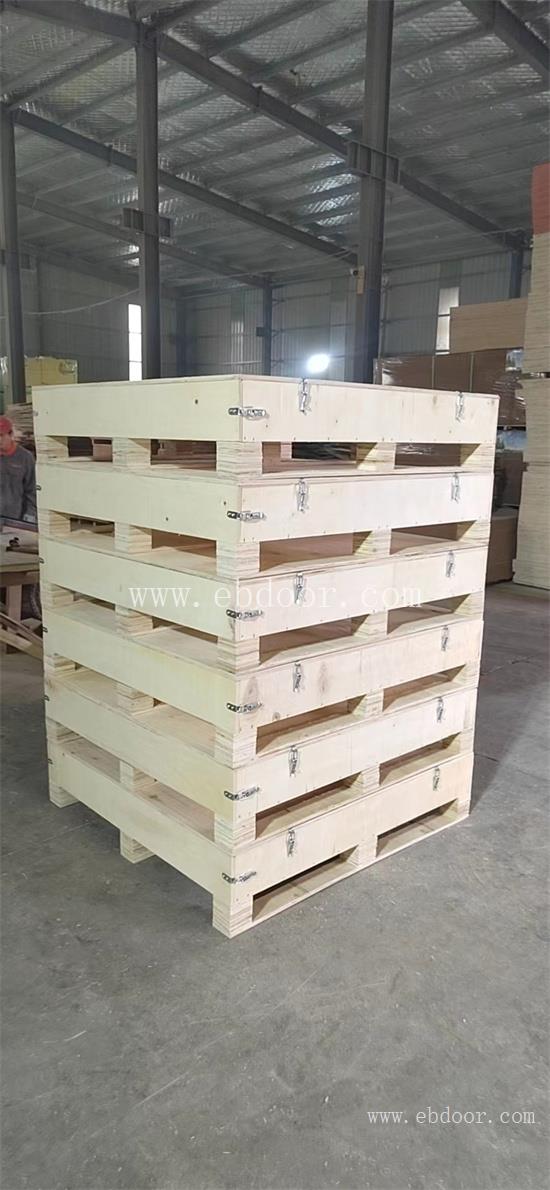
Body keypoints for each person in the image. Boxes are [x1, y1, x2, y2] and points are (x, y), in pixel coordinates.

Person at [0, 415, 37, 523]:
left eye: (1, 435)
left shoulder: (25, 458)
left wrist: (30, 514)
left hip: (15, 519)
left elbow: (32, 490)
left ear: (11, 434)